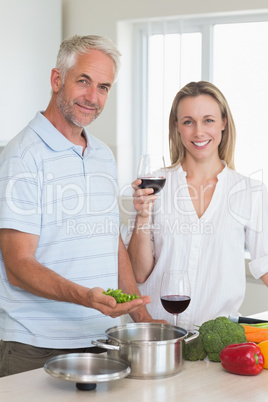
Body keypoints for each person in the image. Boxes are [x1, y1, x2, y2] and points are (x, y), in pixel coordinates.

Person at [0, 35, 158, 377]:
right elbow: (18, 264)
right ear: (57, 80)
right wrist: (85, 296)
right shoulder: (21, 156)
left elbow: (108, 239)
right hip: (35, 346)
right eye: (83, 81)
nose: (93, 97)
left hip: (100, 341)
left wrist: (143, 320)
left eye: (103, 87)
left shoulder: (103, 154)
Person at [126, 81, 268, 330]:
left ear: (223, 123)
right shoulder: (154, 186)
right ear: (177, 127)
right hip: (159, 337)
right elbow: (138, 274)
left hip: (217, 345)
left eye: (208, 120)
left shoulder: (250, 192)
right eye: (189, 121)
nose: (199, 132)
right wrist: (142, 217)